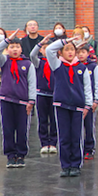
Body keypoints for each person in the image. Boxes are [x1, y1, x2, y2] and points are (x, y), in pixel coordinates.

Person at [38, 33, 93, 178]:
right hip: (61, 104)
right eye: (66, 49)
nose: (69, 52)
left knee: (76, 136)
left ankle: (75, 164)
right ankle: (65, 165)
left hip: (78, 106)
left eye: (72, 49)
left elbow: (87, 87)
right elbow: (49, 50)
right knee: (64, 136)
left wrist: (88, 105)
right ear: (61, 52)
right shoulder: (57, 64)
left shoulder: (81, 67)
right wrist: (65, 41)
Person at [0, 30, 36, 168]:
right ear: (8, 49)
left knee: (22, 129)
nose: (15, 49)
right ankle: (10, 155)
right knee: (8, 129)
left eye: (17, 47)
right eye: (12, 47)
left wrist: (31, 101)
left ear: (21, 49)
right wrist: (7, 40)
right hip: (6, 100)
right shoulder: (4, 61)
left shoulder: (27, 64)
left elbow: (32, 83)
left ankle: (21, 155)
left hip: (23, 102)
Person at [31, 25, 59, 155]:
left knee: (54, 119)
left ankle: (53, 142)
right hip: (41, 94)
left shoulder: (57, 62)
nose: (46, 50)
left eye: (48, 47)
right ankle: (44, 143)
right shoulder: (38, 62)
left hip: (55, 94)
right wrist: (39, 43)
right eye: (44, 48)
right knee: (42, 119)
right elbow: (32, 55)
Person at [78, 42, 98, 161]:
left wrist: (96, 100)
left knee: (89, 126)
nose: (81, 55)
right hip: (77, 101)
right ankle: (78, 148)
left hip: (90, 101)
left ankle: (89, 148)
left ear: (88, 53)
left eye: (83, 52)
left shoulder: (93, 67)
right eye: (79, 52)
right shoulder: (74, 66)